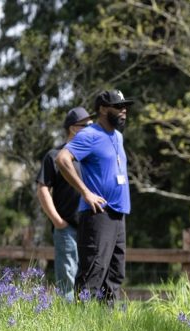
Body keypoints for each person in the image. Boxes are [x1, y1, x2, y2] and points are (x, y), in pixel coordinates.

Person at [56, 89, 134, 302]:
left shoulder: (117, 136)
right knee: (92, 272)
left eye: (124, 106)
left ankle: (105, 328)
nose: (123, 110)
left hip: (119, 214)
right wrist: (86, 193)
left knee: (115, 275)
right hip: (98, 214)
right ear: (102, 109)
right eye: (118, 106)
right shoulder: (89, 135)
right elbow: (63, 159)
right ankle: (81, 327)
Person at [36, 106, 93, 300]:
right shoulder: (54, 156)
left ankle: (86, 321)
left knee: (90, 276)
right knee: (67, 278)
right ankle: (67, 323)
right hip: (67, 228)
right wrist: (57, 221)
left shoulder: (91, 157)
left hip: (91, 227)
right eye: (86, 125)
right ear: (73, 128)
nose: (91, 128)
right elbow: (43, 189)